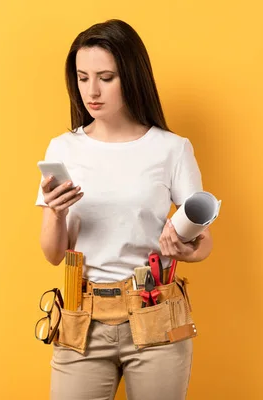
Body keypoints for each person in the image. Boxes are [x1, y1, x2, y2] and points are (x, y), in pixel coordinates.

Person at [35, 19, 213, 400]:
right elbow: (53, 254)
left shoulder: (171, 148)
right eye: (83, 78)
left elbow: (203, 243)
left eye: (106, 77)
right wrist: (55, 212)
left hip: (154, 314)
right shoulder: (63, 149)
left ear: (131, 76)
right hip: (82, 318)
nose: (92, 91)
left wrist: (187, 248)